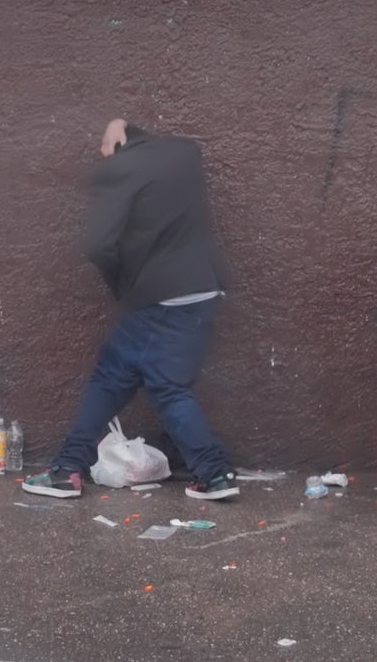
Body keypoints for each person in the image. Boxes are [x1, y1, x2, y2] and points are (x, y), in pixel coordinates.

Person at [23, 118, 238, 501]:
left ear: (117, 145)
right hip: (204, 288)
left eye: (104, 147)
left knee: (168, 388)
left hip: (158, 299)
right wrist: (121, 122)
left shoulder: (117, 170)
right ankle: (68, 466)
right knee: (114, 374)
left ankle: (216, 472)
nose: (101, 154)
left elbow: (98, 245)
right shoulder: (183, 153)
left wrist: (123, 285)